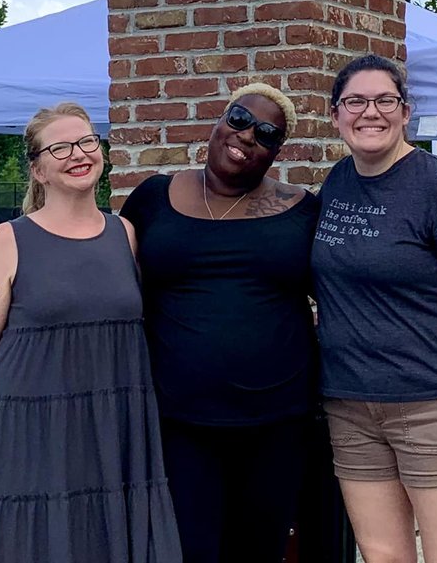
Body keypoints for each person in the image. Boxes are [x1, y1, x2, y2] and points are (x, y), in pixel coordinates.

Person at [0, 101, 180, 563]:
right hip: (24, 429)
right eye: (60, 147)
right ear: (38, 170)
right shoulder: (8, 239)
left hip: (108, 429)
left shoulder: (124, 234)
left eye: (86, 142)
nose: (78, 154)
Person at [311, 54, 437, 563]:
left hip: (430, 405)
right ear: (335, 115)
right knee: (382, 554)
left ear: (405, 112)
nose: (369, 112)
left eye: (384, 101)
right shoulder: (337, 183)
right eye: (355, 101)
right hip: (350, 404)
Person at [120, 83, 319, 563]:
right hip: (180, 418)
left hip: (279, 418)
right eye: (239, 119)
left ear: (277, 152)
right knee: (190, 547)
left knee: (261, 547)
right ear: (218, 121)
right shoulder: (153, 198)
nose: (248, 135)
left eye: (267, 134)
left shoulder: (304, 210)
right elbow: (117, 285)